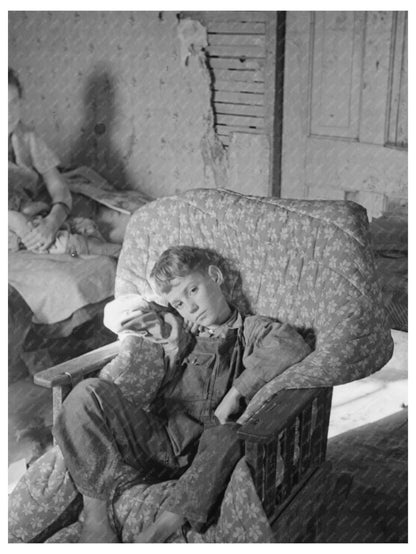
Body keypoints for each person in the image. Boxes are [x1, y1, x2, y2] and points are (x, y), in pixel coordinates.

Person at [53, 245, 312, 543]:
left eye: (193, 290)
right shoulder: (180, 331)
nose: (190, 306)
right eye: (179, 302)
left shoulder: (250, 330)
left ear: (215, 276)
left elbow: (292, 345)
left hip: (206, 451)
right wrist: (167, 319)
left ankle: (158, 531)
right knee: (87, 392)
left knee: (231, 434)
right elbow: (117, 315)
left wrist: (236, 394)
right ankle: (97, 519)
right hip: (159, 441)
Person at [8, 67, 120, 257]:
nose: (9, 113)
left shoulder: (26, 136)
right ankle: (90, 247)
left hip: (28, 207)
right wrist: (13, 219)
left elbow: (58, 188)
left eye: (14, 102)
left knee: (87, 211)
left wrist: (52, 221)